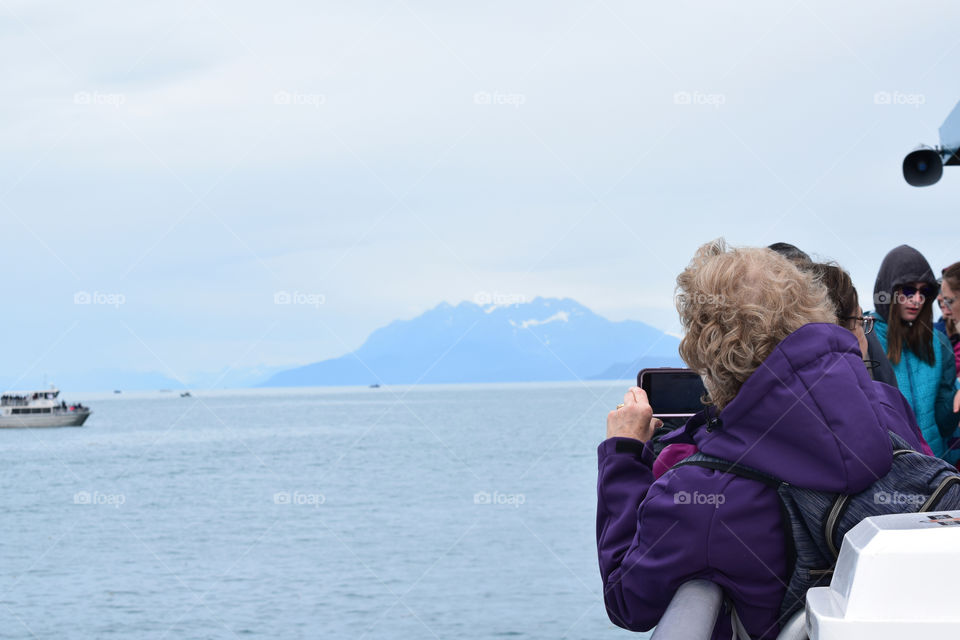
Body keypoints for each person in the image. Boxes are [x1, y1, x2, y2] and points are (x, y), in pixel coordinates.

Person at [597, 240, 930, 639]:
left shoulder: (701, 495)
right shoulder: (887, 405)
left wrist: (623, 454)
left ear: (705, 351)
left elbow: (627, 600)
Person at [870, 245, 960, 461]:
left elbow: (944, 423)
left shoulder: (938, 342)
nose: (917, 299)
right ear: (889, 290)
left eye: (925, 291)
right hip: (887, 471)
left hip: (936, 470)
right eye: (909, 290)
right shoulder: (865, 338)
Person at [767, 242, 898, 388]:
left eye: (806, 278)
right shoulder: (762, 351)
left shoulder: (860, 331)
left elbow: (886, 391)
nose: (798, 291)